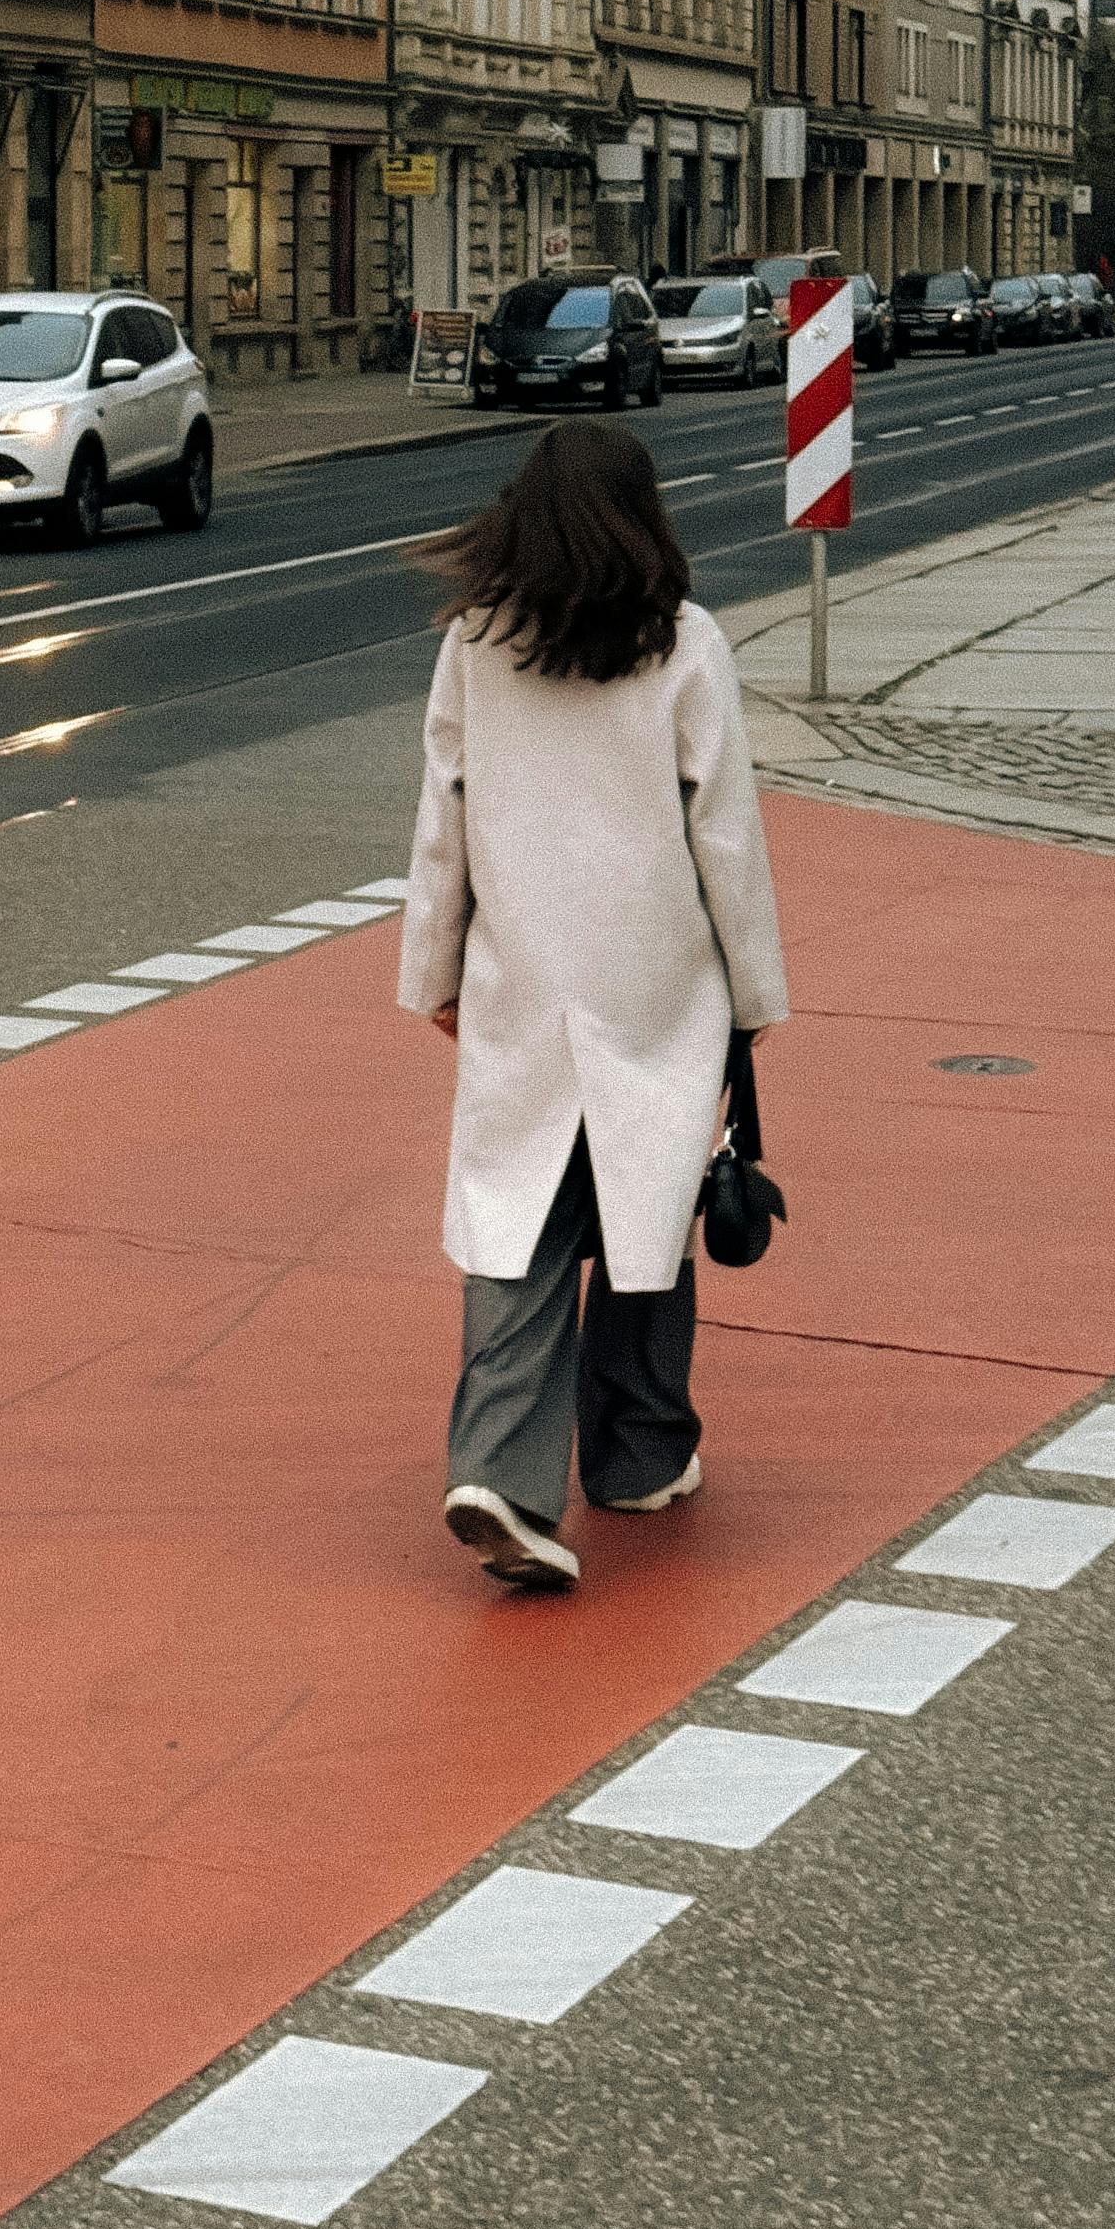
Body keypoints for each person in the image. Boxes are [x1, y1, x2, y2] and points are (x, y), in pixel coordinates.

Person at [397, 418, 787, 1591]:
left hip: (524, 975)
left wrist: (432, 972)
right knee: (644, 1212)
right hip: (656, 977)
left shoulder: (477, 640)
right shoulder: (683, 644)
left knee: (516, 1220)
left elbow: (441, 818)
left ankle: (500, 1474)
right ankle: (635, 1454)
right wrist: (755, 992)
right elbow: (722, 829)